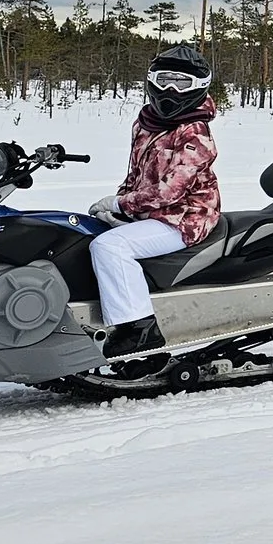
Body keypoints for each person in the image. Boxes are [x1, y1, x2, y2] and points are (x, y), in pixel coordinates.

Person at [86, 46, 222, 358]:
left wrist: (122, 205)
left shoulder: (196, 133)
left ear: (198, 87)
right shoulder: (145, 124)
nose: (171, 89)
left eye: (182, 83)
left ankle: (138, 328)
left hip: (186, 216)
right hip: (152, 212)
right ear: (152, 81)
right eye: (165, 79)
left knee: (110, 247)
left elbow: (170, 191)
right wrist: (119, 202)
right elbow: (137, 174)